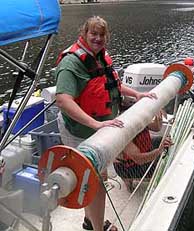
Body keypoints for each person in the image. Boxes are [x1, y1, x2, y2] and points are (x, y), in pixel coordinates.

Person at [55, 16, 157, 231]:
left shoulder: (100, 58)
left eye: (102, 35)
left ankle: (88, 222)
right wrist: (95, 124)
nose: (98, 38)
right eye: (94, 33)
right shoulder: (71, 62)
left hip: (98, 128)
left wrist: (136, 94)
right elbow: (63, 100)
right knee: (96, 183)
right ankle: (98, 228)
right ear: (84, 34)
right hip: (80, 130)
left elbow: (111, 85)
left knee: (95, 177)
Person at [113, 98, 173, 192]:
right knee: (163, 165)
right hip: (130, 167)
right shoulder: (123, 133)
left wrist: (158, 116)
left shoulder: (138, 120)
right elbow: (140, 159)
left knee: (161, 140)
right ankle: (128, 180)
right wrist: (159, 151)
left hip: (141, 154)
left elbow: (157, 128)